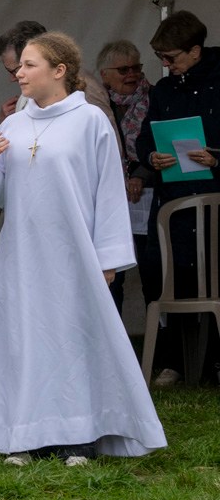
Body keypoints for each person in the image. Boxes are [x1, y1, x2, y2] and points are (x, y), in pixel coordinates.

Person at [0, 32, 165, 463]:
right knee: (24, 339)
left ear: (59, 71)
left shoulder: (90, 121)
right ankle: (25, 435)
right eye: (18, 66)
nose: (18, 73)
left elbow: (109, 192)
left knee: (71, 340)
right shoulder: (13, 125)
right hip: (23, 253)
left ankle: (77, 437)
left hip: (74, 254)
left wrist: (110, 256)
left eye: (28, 65)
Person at [138, 10, 220, 387]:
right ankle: (175, 361)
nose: (165, 65)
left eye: (171, 58)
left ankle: (213, 362)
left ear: (196, 51)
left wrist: (216, 157)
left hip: (214, 200)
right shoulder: (164, 90)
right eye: (161, 58)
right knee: (166, 278)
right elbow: (144, 140)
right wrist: (152, 157)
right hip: (172, 202)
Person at [96, 39, 151, 306]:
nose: (132, 74)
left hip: (147, 195)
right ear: (104, 75)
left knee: (152, 269)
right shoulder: (96, 104)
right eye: (123, 69)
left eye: (135, 68)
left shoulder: (154, 98)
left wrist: (141, 173)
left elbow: (157, 142)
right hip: (110, 197)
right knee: (112, 272)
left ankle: (160, 334)